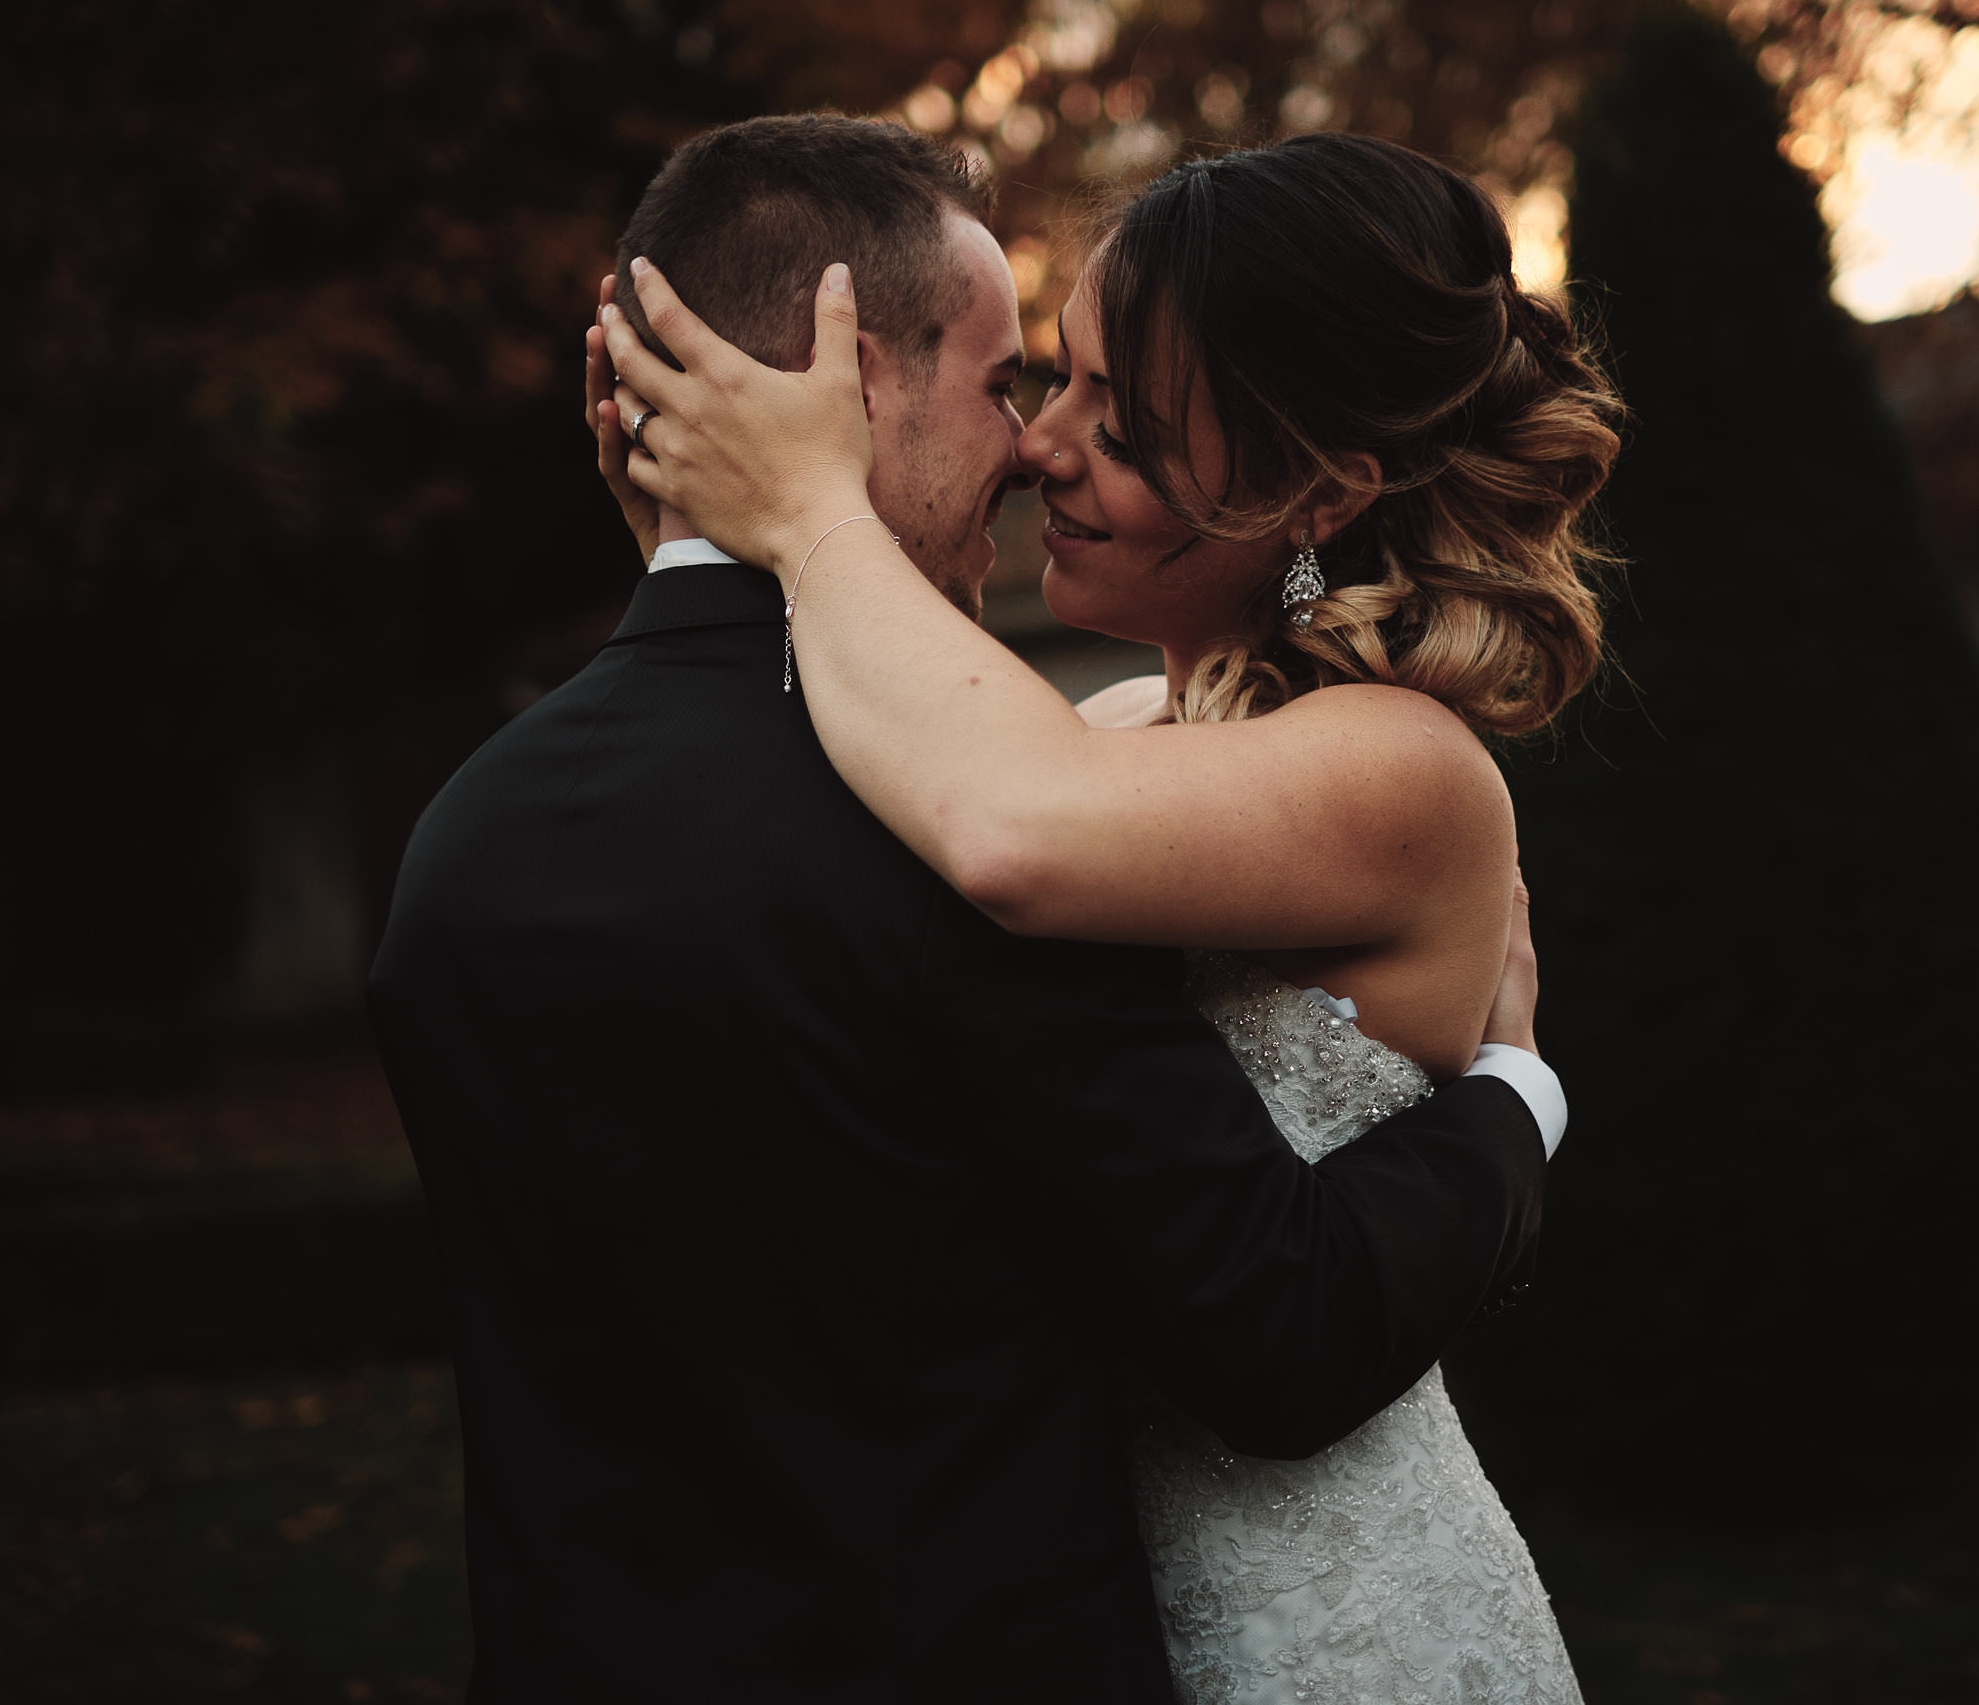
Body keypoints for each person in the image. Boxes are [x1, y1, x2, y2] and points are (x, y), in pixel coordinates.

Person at [370, 113, 1566, 1705]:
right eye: (1027, 381)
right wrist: (1518, 1101)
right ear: (845, 389)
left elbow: (987, 827)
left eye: (1114, 418)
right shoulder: (1030, 779)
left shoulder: (461, 845)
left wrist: (774, 533)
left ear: (1317, 486)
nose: (1037, 446)